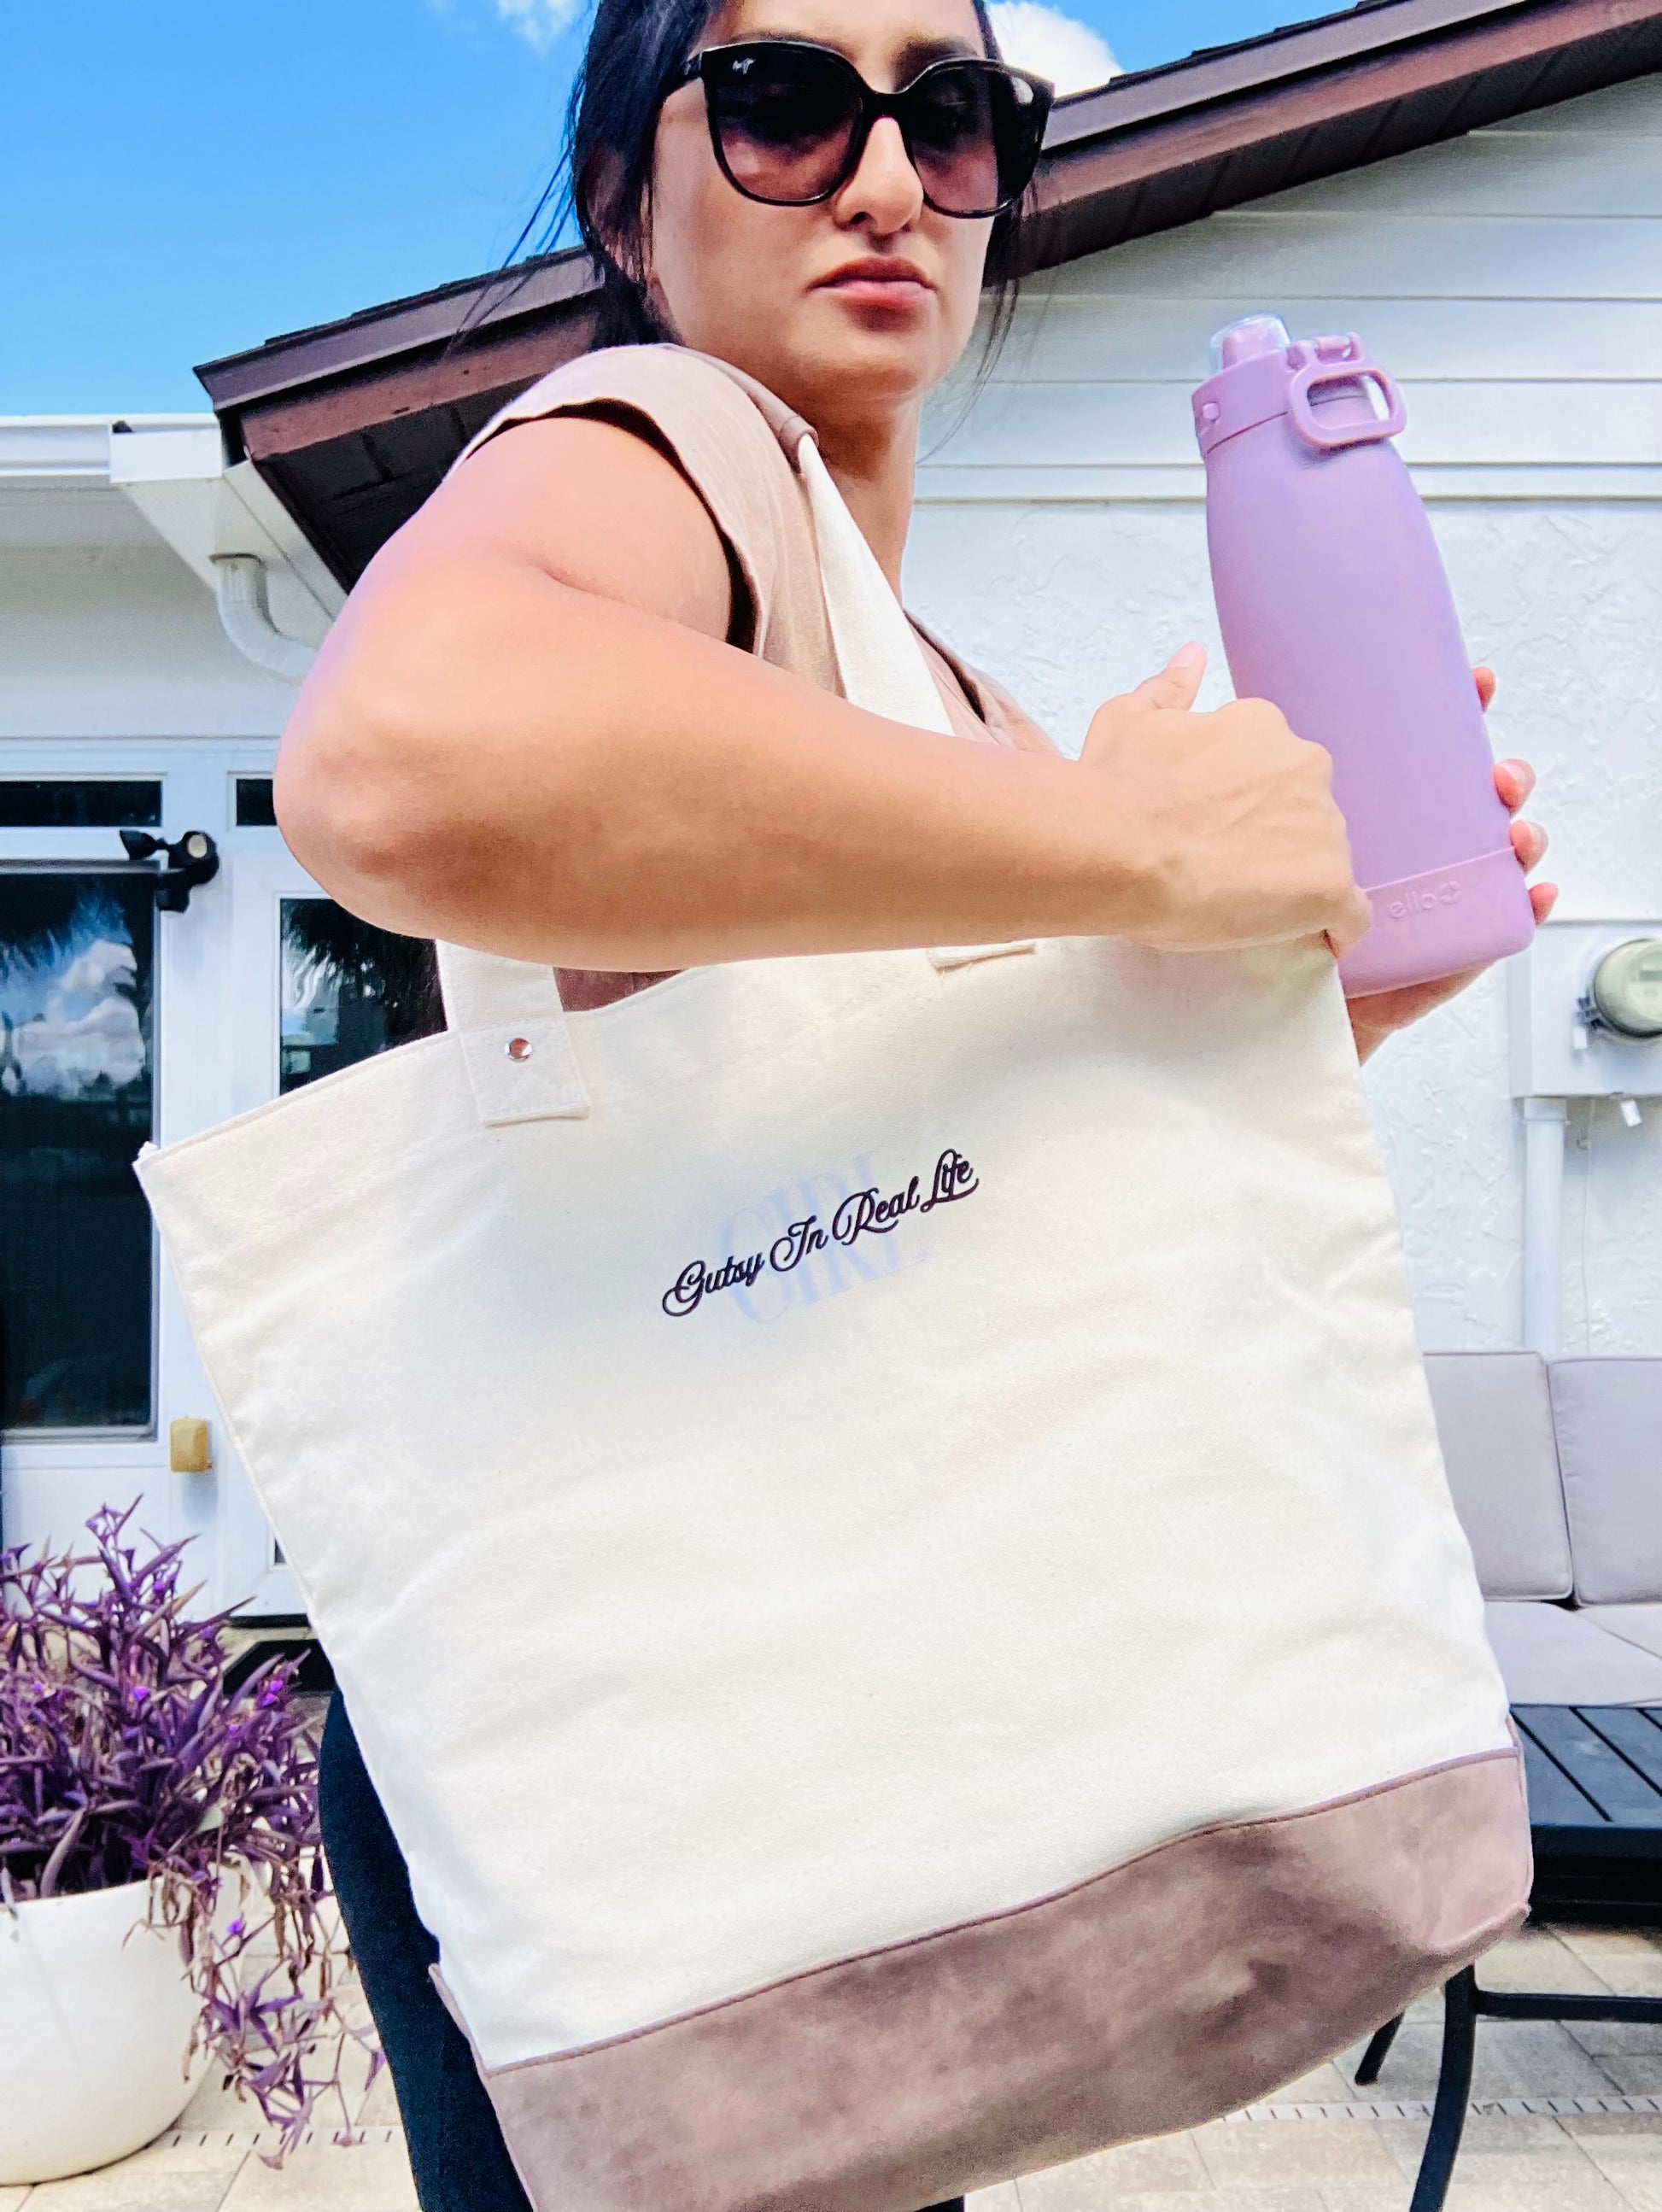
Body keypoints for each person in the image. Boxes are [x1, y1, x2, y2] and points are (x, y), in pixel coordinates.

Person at [282, 1, 1557, 2204]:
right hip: (662, 1740)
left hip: (831, 1712)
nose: (886, 175)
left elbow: (961, 1190)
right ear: (626, 199)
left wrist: (1333, 990)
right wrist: (1140, 849)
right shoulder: (653, 432)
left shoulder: (930, 692)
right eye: (784, 103)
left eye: (952, 114)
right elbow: (399, 760)